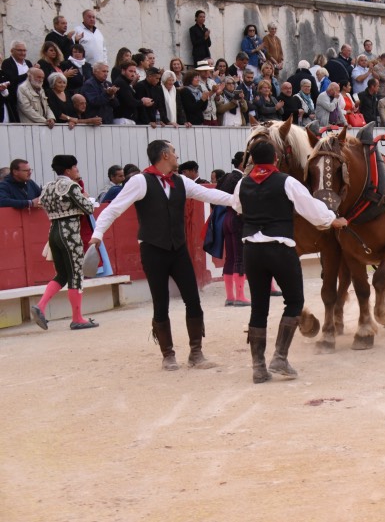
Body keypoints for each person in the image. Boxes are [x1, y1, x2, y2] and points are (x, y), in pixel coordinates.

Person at [90, 140, 235, 370]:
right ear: (165, 155)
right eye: (174, 152)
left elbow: (211, 195)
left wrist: (238, 201)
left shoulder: (180, 181)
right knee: (161, 303)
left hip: (178, 250)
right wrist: (97, 235)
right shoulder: (139, 181)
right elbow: (114, 209)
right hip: (153, 250)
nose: (177, 155)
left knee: (193, 299)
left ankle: (196, 353)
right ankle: (168, 354)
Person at [233, 140, 347, 383]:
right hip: (280, 248)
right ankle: (280, 357)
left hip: (252, 249)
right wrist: (332, 219)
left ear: (252, 160)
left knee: (259, 307)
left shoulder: (242, 182)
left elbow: (238, 206)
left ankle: (258, 367)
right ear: (276, 158)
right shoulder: (286, 181)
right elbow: (311, 209)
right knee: (294, 301)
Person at [31, 155, 98, 331]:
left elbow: (41, 204)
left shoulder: (47, 187)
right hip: (70, 234)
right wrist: (85, 197)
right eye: (75, 167)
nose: (77, 170)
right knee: (76, 274)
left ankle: (41, 306)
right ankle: (77, 318)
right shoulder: (71, 186)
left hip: (53, 232)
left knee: (62, 274)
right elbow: (89, 208)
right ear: (68, 170)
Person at [216, 152, 252, 307]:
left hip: (226, 218)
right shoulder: (242, 179)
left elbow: (215, 198)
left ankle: (230, 296)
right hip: (238, 218)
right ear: (242, 164)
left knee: (230, 257)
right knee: (239, 257)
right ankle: (240, 296)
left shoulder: (225, 177)